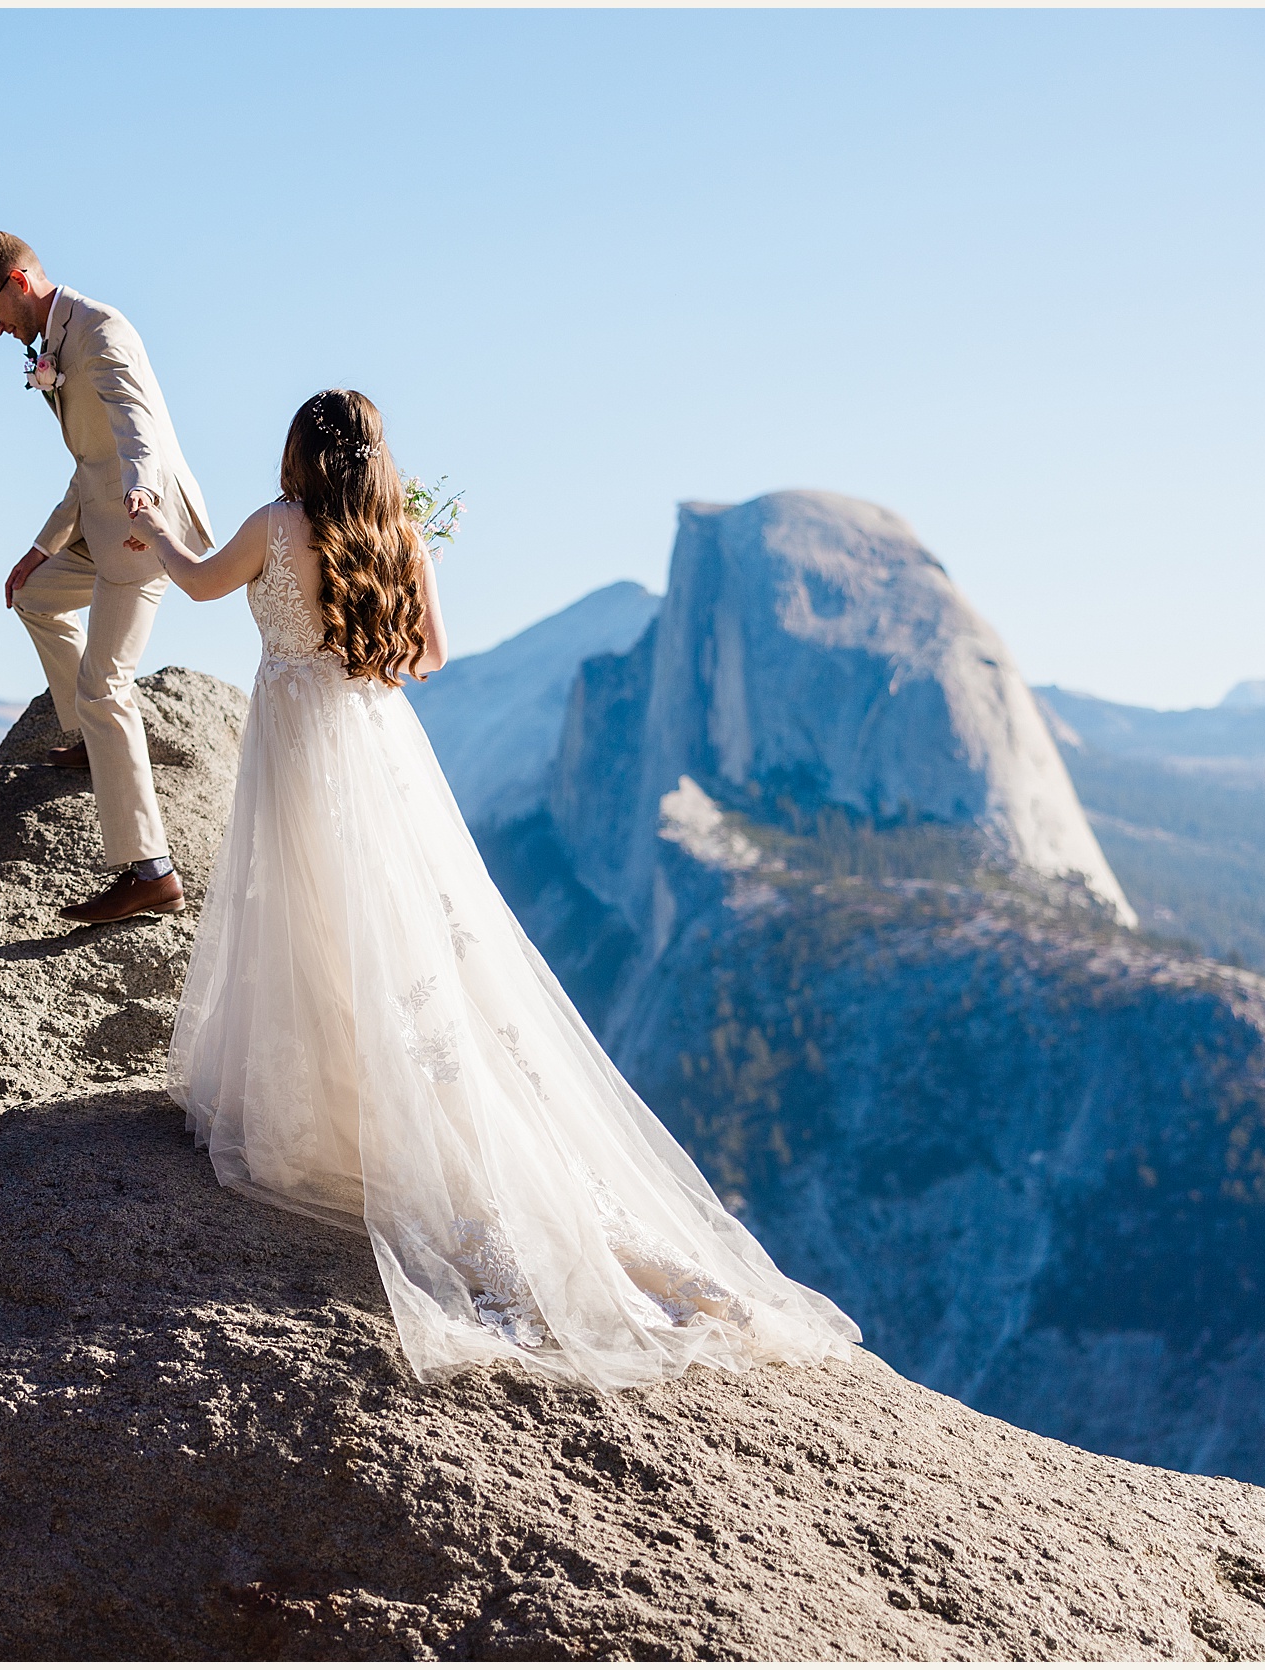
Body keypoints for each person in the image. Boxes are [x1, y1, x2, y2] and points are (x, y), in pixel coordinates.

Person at [126, 388, 860, 1389]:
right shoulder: (396, 533)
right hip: (373, 743)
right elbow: (427, 655)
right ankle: (422, 1121)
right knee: (401, 933)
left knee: (311, 922)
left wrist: (154, 529)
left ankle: (332, 1112)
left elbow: (204, 585)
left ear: (300, 450)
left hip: (296, 744)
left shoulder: (274, 524)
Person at [0, 231, 215, 924]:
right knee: (32, 598)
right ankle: (94, 742)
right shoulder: (50, 345)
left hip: (139, 527)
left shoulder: (100, 329)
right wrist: (41, 550)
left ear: (19, 279)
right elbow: (88, 464)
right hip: (101, 518)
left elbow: (137, 427)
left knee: (106, 686)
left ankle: (151, 871)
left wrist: (144, 498)